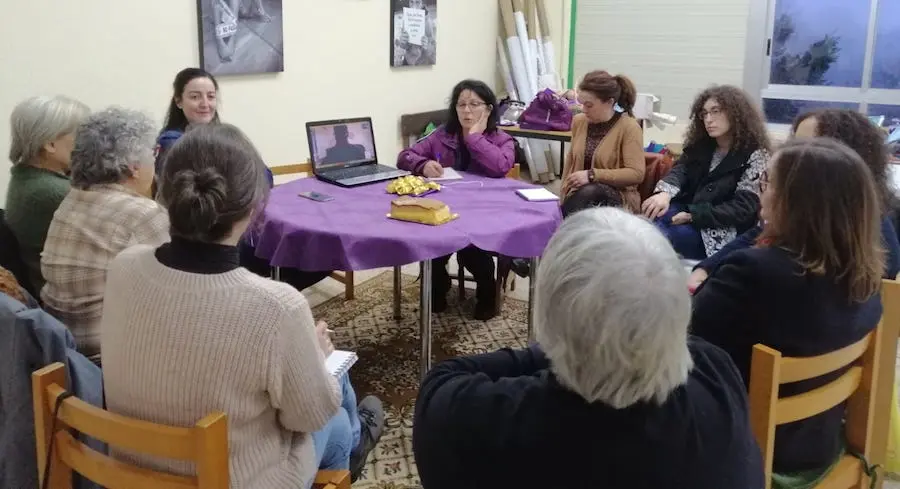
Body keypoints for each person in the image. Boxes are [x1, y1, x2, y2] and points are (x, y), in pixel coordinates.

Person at [100, 124, 384, 488]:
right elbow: (308, 417)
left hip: (130, 473)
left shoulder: (124, 265)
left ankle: (355, 430)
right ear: (254, 208)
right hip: (234, 479)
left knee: (334, 395)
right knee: (337, 419)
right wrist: (314, 356)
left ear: (164, 192)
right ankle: (355, 442)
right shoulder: (277, 306)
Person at [413, 207, 764, 489]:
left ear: (547, 320)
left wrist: (561, 347)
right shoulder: (717, 373)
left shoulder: (471, 417)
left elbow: (443, 377)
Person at [691, 137, 884, 481]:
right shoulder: (866, 282)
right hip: (818, 443)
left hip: (748, 449)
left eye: (767, 183)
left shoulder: (754, 272)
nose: (761, 193)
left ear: (796, 202)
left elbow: (684, 343)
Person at [157, 67, 329, 292]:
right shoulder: (172, 142)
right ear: (178, 101)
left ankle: (263, 296)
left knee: (308, 245)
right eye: (195, 96)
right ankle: (261, 296)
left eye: (210, 96)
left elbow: (263, 174)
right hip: (204, 235)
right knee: (292, 249)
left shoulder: (223, 135)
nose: (205, 103)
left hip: (235, 221)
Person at [688, 108, 900, 291]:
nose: (790, 154)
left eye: (804, 147)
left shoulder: (869, 242)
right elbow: (761, 231)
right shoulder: (812, 212)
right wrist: (708, 267)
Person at [41, 107, 169, 363]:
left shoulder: (71, 200)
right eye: (154, 153)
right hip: (111, 362)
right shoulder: (142, 213)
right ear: (133, 168)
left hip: (62, 354)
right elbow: (179, 291)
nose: (155, 162)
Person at [397, 79, 515, 320]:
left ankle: (487, 292)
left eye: (474, 104)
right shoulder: (442, 135)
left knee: (473, 252)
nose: (467, 110)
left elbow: (500, 167)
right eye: (461, 105)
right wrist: (423, 163)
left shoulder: (502, 139)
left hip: (484, 211)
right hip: (445, 207)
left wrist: (474, 138)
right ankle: (438, 287)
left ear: (489, 109)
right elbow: (404, 156)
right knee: (434, 245)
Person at [642, 85, 770, 259]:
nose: (709, 119)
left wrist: (693, 215)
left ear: (736, 114)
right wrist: (664, 193)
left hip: (722, 225)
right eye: (704, 114)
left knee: (671, 237)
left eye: (716, 111)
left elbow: (743, 207)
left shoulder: (756, 154)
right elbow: (681, 170)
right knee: (650, 221)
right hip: (688, 209)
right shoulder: (702, 145)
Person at [5, 95, 90, 292]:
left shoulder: (25, 176)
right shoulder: (54, 192)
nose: (88, 146)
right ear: (50, 144)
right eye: (81, 136)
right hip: (62, 298)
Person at [559, 70, 645, 216]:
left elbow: (636, 174)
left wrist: (592, 175)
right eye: (581, 104)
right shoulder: (579, 122)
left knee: (590, 192)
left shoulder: (629, 127)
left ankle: (560, 229)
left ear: (610, 102)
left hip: (618, 196)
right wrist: (562, 193)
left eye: (589, 105)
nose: (583, 109)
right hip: (580, 194)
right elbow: (570, 162)